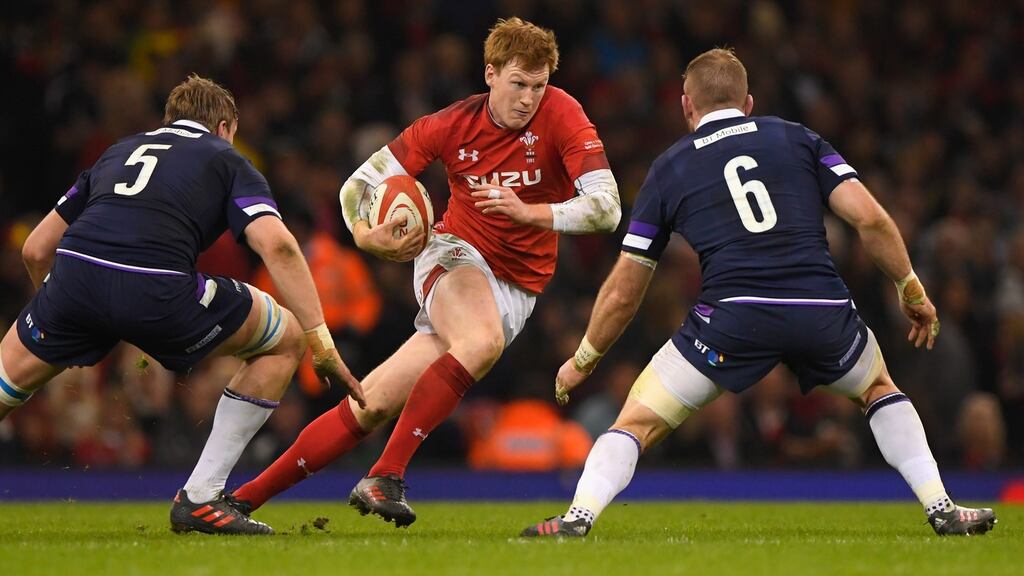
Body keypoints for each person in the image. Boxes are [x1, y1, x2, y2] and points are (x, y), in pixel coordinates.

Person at [520, 48, 996, 538]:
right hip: (821, 309)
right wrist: (910, 287)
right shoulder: (798, 138)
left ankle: (577, 519)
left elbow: (625, 286)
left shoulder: (668, 168)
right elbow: (869, 219)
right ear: (748, 102)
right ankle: (941, 507)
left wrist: (584, 357)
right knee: (878, 389)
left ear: (687, 105)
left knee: (637, 421)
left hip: (733, 318)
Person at [230, 17, 620, 528]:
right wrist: (363, 234)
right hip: (454, 254)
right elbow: (358, 186)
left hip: (518, 287)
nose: (528, 98)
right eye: (518, 83)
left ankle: (238, 502)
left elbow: (608, 207)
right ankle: (385, 475)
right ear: (491, 74)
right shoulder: (449, 125)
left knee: (371, 403)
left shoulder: (564, 114)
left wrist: (532, 213)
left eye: (539, 85)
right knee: (480, 343)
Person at [2, 75, 365, 535]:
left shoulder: (117, 152)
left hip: (73, 281)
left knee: (3, 383)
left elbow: (35, 249)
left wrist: (58, 311)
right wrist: (323, 343)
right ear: (225, 126)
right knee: (285, 339)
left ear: (168, 121)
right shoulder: (227, 158)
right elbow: (280, 249)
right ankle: (201, 497)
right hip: (158, 292)